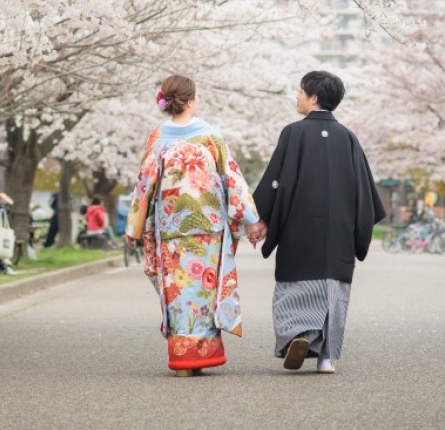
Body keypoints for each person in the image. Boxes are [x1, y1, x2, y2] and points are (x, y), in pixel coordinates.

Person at [126, 73, 266, 374]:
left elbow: (144, 184)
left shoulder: (158, 136)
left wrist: (134, 227)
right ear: (189, 101)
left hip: (172, 227)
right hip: (208, 228)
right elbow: (232, 179)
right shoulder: (210, 136)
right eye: (197, 96)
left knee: (178, 289)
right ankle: (198, 353)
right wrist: (252, 220)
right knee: (204, 288)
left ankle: (183, 358)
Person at [253, 69, 385, 375]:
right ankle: (326, 358)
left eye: (300, 91)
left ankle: (298, 337)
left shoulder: (294, 133)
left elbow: (276, 182)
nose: (297, 97)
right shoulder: (348, 138)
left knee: (295, 289)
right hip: (339, 233)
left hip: (299, 229)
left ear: (313, 97)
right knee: (333, 292)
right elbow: (365, 191)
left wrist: (262, 219)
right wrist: (358, 227)